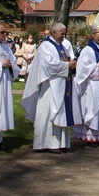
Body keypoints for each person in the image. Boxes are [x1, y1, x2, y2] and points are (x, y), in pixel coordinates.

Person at [21, 23, 77, 153]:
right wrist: (67, 65)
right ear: (53, 33)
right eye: (61, 34)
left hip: (61, 85)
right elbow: (49, 65)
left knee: (61, 113)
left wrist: (71, 64)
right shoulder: (46, 46)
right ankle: (47, 143)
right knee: (48, 113)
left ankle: (61, 142)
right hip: (49, 87)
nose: (63, 36)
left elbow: (65, 60)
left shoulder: (61, 46)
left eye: (64, 33)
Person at [73, 14, 99, 144]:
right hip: (92, 86)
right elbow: (82, 69)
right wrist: (98, 66)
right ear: (93, 35)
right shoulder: (87, 50)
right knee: (93, 109)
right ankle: (90, 136)